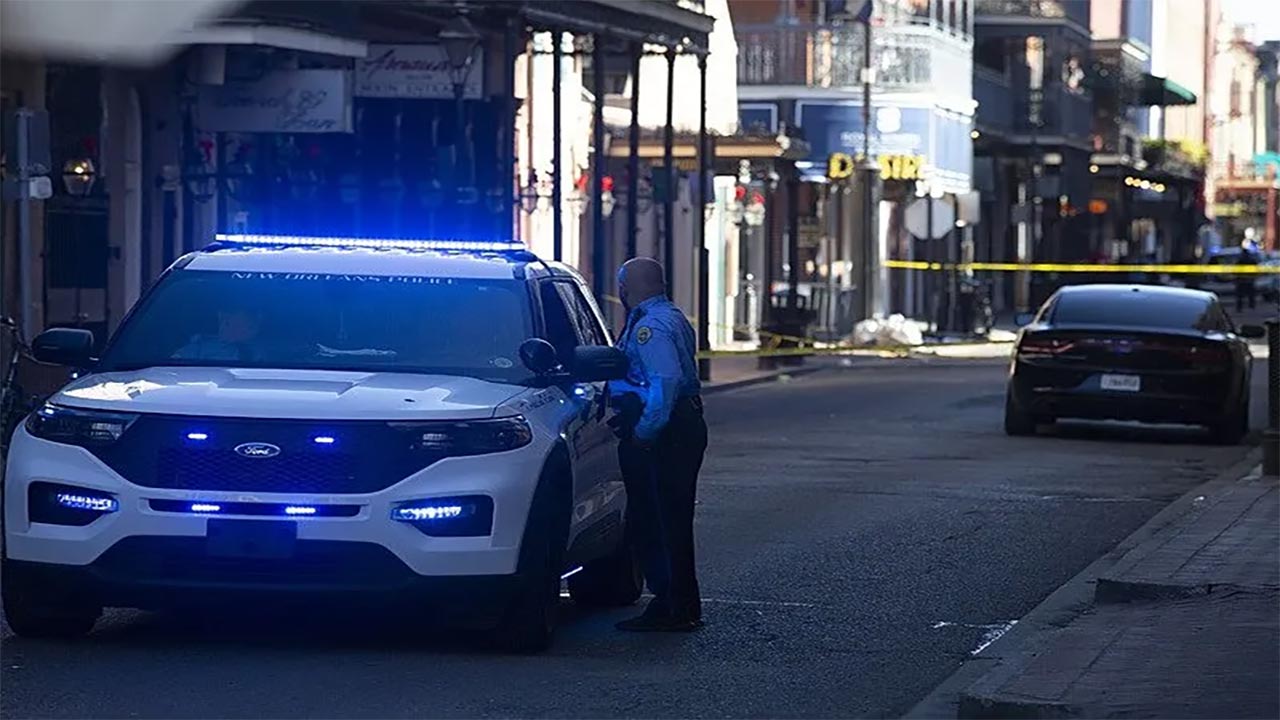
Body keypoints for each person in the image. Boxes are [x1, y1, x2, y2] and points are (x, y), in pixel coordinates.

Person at [609, 257, 708, 632]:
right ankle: (678, 602)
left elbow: (664, 384)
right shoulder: (671, 316)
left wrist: (642, 435)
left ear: (624, 288)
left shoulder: (650, 327)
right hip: (681, 426)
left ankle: (673, 603)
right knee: (671, 519)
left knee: (658, 520)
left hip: (667, 432)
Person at [1236, 237, 1260, 312]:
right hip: (1248, 280)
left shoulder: (1240, 261)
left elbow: (1235, 271)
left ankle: (1240, 308)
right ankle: (1250, 306)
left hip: (1242, 280)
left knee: (1241, 296)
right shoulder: (1251, 261)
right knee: (1250, 295)